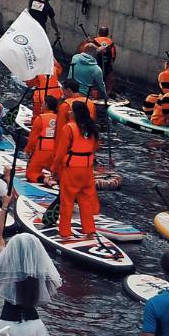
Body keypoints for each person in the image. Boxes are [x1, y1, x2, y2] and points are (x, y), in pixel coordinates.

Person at [53, 98, 101, 242]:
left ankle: (65, 232)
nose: (68, 112)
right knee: (85, 201)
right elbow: (95, 147)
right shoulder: (92, 128)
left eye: (71, 110)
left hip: (71, 170)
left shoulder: (68, 128)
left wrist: (54, 169)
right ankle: (90, 230)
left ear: (75, 113)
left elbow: (60, 153)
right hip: (87, 170)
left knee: (67, 201)